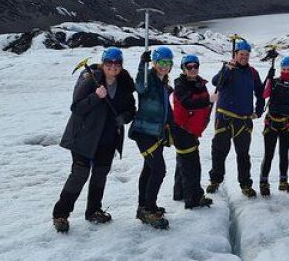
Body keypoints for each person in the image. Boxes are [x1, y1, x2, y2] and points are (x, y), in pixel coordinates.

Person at [53, 47, 135, 233]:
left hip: (108, 139)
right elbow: (77, 107)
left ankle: (93, 211)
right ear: (103, 63)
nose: (113, 67)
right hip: (85, 138)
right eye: (109, 63)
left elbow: (131, 108)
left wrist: (125, 117)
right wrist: (95, 97)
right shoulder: (91, 79)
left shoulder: (123, 84)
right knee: (79, 175)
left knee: (100, 175)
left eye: (117, 63)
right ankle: (61, 214)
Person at [207, 39, 265, 197]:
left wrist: (258, 111)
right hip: (224, 117)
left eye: (246, 55)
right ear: (235, 54)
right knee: (219, 151)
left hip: (244, 120)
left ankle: (245, 184)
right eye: (241, 54)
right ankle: (215, 180)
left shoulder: (253, 73)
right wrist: (227, 69)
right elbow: (215, 82)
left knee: (243, 154)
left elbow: (260, 93)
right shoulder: (227, 68)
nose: (244, 57)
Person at [130, 46, 174, 230]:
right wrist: (142, 64)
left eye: (168, 62)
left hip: (156, 133)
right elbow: (139, 86)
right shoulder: (149, 79)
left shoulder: (164, 83)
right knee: (159, 170)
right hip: (144, 132)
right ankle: (148, 209)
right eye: (161, 62)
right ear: (154, 63)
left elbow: (165, 109)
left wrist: (171, 125)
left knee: (149, 170)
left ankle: (145, 206)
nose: (164, 66)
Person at [171, 54, 216, 209]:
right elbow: (188, 103)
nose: (192, 69)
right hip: (183, 129)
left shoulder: (199, 83)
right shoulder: (180, 85)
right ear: (183, 69)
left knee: (183, 162)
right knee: (192, 165)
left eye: (195, 66)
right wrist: (208, 100)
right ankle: (193, 198)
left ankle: (180, 193)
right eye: (188, 67)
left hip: (191, 130)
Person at [259, 55, 289, 196]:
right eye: (284, 69)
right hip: (271, 122)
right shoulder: (275, 82)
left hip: (286, 124)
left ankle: (283, 181)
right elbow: (264, 95)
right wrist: (268, 79)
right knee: (269, 154)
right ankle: (263, 182)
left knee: (284, 153)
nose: (286, 71)